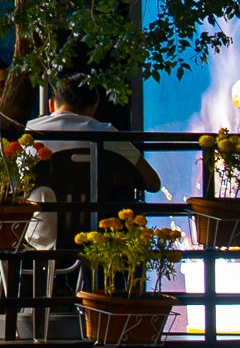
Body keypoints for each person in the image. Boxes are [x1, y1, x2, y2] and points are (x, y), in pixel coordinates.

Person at [24, 78, 164, 250]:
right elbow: (153, 183)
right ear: (93, 109)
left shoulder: (30, 133)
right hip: (97, 237)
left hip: (40, 235)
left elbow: (10, 186)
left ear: (51, 105)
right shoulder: (106, 134)